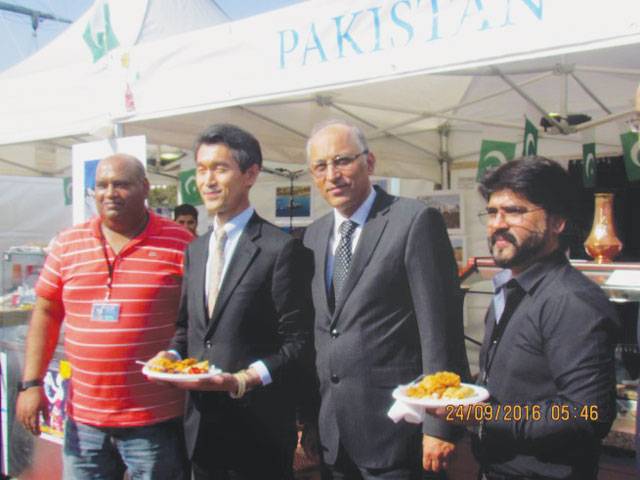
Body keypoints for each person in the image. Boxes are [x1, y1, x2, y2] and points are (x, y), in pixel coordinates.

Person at [430, 157, 619, 479]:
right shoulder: (510, 288)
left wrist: (484, 416)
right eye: (492, 212)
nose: (498, 224)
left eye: (515, 211)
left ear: (557, 222)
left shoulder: (571, 301)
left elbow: (588, 413)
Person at [303, 119, 470, 479]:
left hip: (398, 432)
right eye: (321, 166)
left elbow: (440, 331)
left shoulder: (413, 221)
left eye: (343, 160)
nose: (333, 174)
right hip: (333, 434)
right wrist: (311, 420)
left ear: (370, 162)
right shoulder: (312, 237)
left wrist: (439, 424)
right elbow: (318, 335)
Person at [150, 123, 312, 479]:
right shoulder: (194, 250)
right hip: (202, 431)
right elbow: (187, 328)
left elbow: (299, 342)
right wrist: (172, 356)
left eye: (220, 169)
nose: (208, 180)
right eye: (202, 169)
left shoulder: (280, 249)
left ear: (250, 174)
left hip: (259, 432)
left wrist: (245, 379)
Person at [16, 153, 193, 479]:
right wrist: (30, 384)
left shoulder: (180, 242)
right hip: (84, 422)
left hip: (155, 420)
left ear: (145, 188)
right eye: (101, 185)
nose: (109, 193)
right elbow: (45, 312)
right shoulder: (68, 243)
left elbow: (198, 319)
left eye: (121, 185)